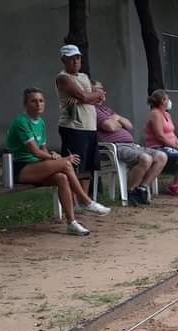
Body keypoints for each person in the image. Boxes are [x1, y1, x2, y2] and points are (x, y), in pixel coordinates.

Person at [5, 88, 97, 235]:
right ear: (25, 104)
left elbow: (43, 150)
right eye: (33, 101)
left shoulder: (40, 122)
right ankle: (85, 201)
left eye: (41, 101)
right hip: (19, 168)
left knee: (61, 177)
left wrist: (52, 155)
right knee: (66, 163)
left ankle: (72, 223)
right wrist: (59, 159)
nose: (38, 104)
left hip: (36, 166)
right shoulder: (21, 122)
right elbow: (34, 151)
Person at [54, 44, 109, 215]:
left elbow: (99, 97)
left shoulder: (84, 76)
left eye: (77, 57)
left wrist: (91, 97)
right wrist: (91, 96)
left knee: (87, 167)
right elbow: (86, 96)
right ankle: (74, 202)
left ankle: (84, 201)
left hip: (90, 126)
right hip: (73, 127)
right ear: (63, 60)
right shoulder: (63, 78)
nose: (75, 61)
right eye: (71, 58)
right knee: (75, 165)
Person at [93, 81, 167, 206]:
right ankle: (129, 192)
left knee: (161, 156)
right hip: (115, 147)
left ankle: (141, 188)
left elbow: (129, 125)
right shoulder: (94, 111)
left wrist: (118, 120)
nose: (104, 92)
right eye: (100, 89)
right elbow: (109, 126)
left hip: (131, 146)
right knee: (146, 159)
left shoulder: (107, 110)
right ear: (92, 92)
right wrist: (117, 121)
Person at [144, 90, 178, 198]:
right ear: (163, 101)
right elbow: (160, 136)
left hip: (170, 146)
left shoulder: (166, 114)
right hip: (158, 147)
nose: (170, 101)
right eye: (168, 99)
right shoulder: (155, 114)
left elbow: (172, 134)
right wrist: (174, 146)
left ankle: (176, 183)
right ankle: (174, 185)